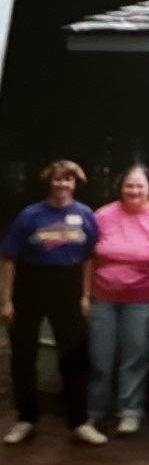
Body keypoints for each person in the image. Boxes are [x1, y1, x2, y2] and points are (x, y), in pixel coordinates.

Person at [1, 160, 105, 445]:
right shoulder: (29, 216)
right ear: (49, 182)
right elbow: (9, 258)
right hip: (31, 286)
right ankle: (26, 419)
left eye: (68, 180)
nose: (62, 185)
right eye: (57, 180)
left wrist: (85, 295)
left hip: (68, 287)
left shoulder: (85, 215)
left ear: (75, 183)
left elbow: (88, 259)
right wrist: (6, 299)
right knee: (23, 355)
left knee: (73, 357)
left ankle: (79, 422)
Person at [86, 164, 149, 436]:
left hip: (143, 300)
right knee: (100, 358)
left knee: (134, 357)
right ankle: (94, 411)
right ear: (120, 187)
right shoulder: (102, 215)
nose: (134, 190)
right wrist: (85, 294)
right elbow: (89, 258)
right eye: (129, 185)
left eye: (139, 186)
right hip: (102, 297)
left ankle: (130, 411)